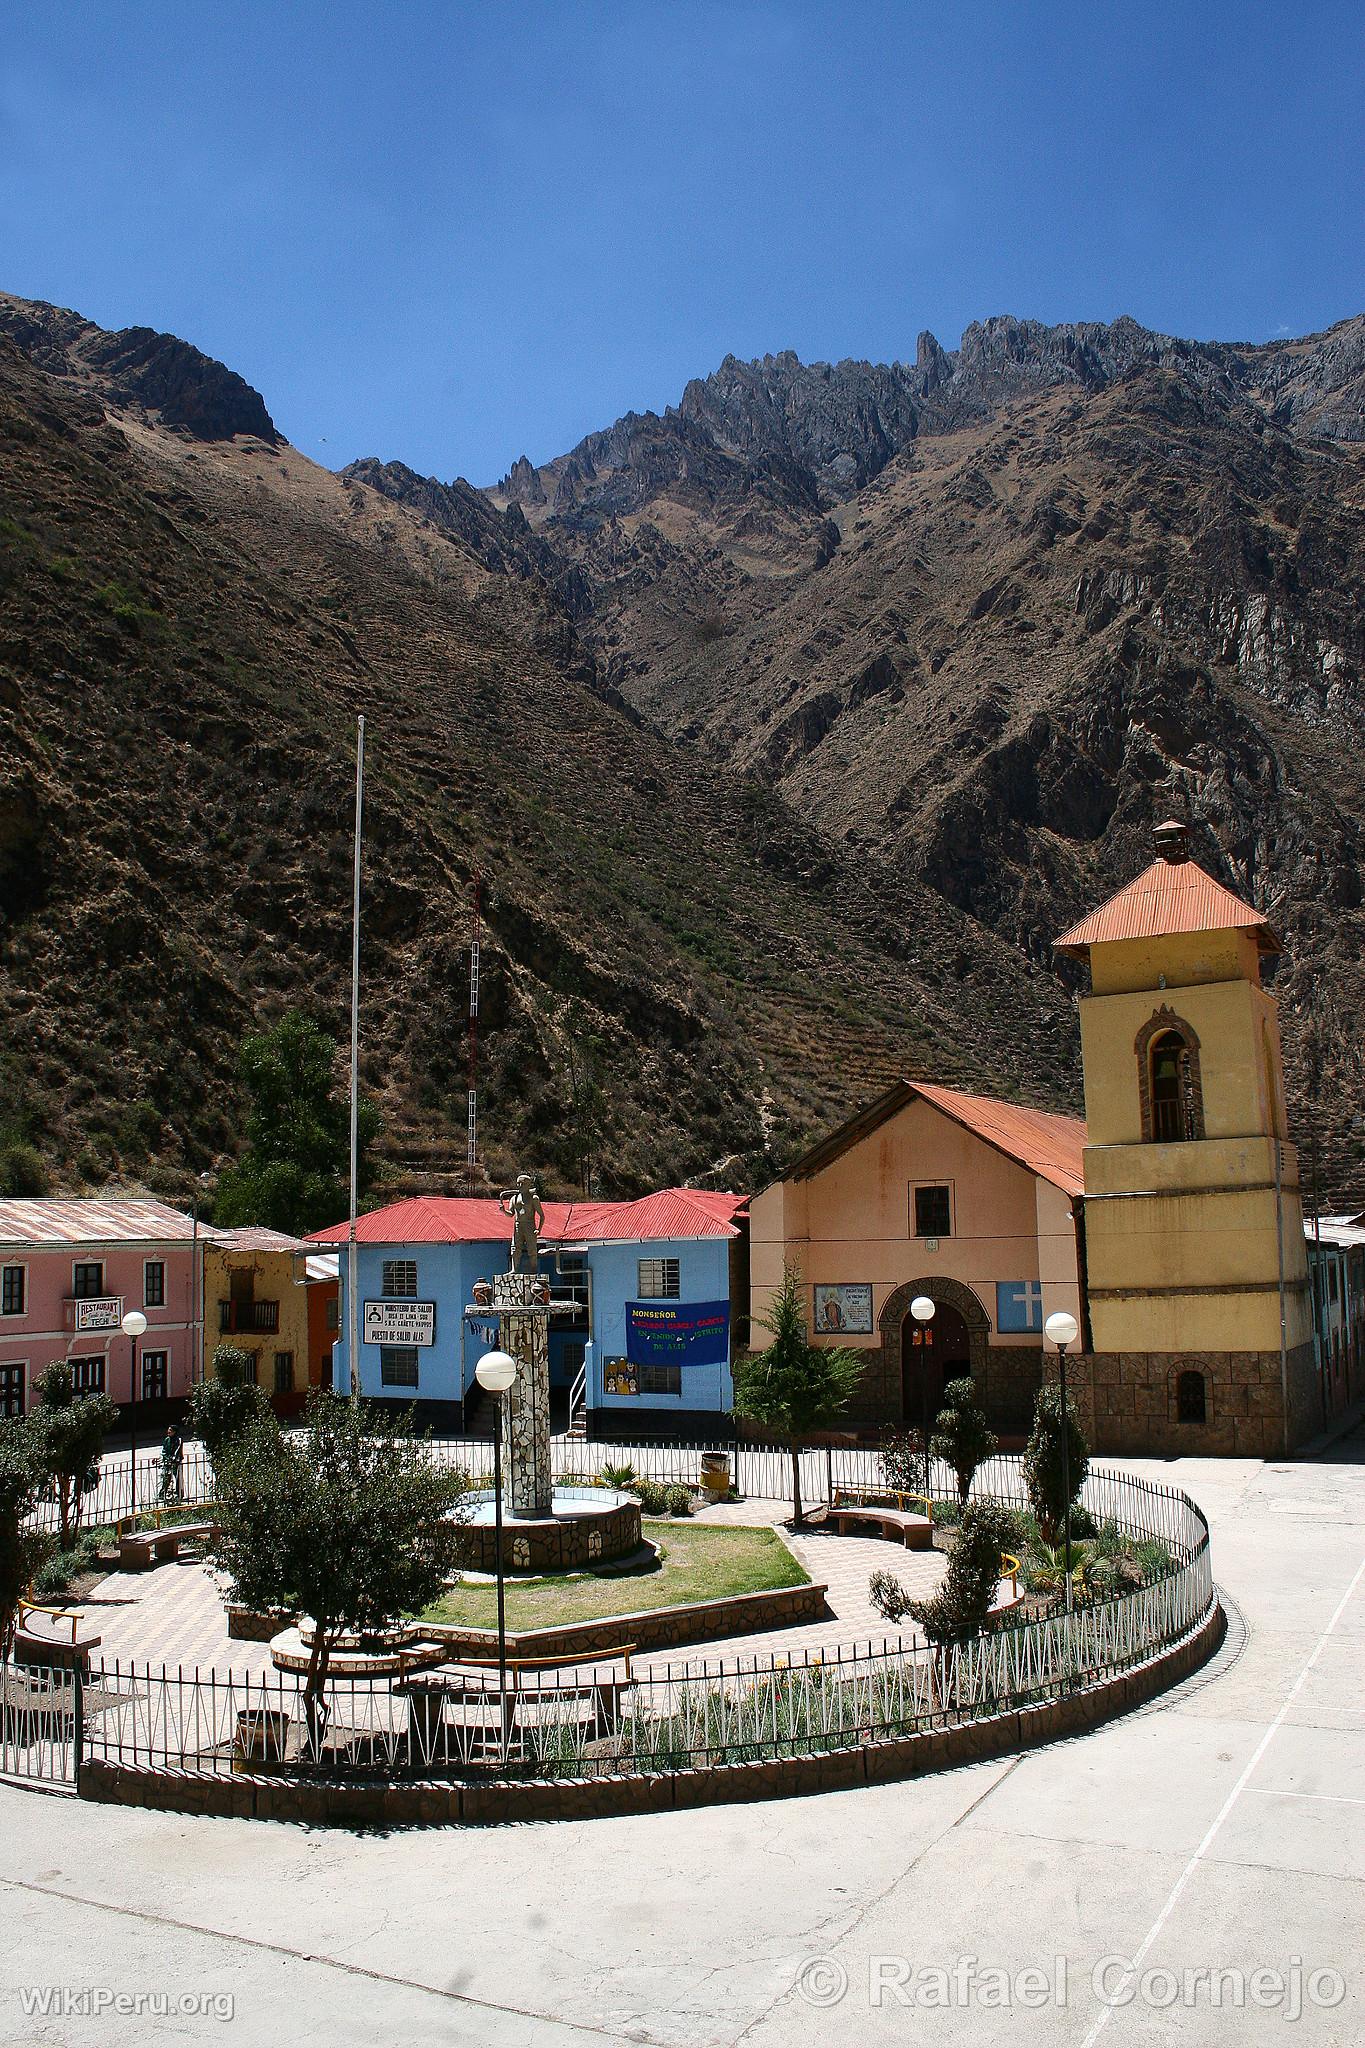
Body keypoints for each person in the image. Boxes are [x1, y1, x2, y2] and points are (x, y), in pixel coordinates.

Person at [160, 1420, 184, 1503]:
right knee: (166, 1477)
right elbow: (164, 1450)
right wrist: (166, 1457)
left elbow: (178, 1450)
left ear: (175, 1432)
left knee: (178, 1477)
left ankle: (179, 1493)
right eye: (168, 1430)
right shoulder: (167, 1439)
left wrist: (174, 1458)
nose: (168, 1431)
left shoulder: (178, 1440)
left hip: (176, 1461)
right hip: (167, 1461)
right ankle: (163, 1493)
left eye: (170, 1430)